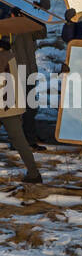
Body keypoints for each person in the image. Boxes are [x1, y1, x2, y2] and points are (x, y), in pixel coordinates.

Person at [0, 28, 41, 183]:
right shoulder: (10, 56)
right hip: (12, 106)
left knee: (20, 142)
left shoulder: (3, 57)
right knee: (20, 142)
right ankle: (33, 173)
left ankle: (34, 173)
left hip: (6, 107)